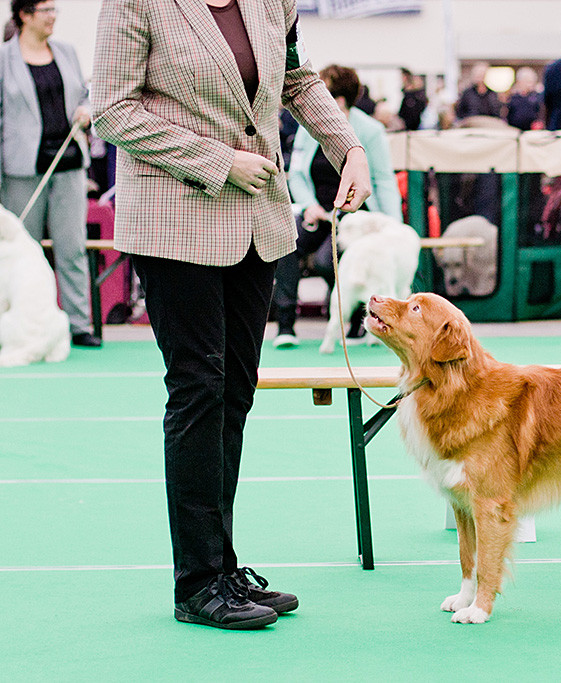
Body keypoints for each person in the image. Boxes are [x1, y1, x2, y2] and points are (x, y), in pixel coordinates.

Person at [92, 0, 371, 630]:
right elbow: (112, 107)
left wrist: (346, 146)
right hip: (174, 218)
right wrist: (218, 162)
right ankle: (196, 583)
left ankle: (222, 567)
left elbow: (294, 80)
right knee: (199, 389)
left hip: (256, 221)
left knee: (235, 393)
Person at [272, 65, 402, 348]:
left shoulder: (370, 130)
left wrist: (394, 227)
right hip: (318, 213)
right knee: (285, 245)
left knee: (324, 261)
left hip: (354, 218)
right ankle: (285, 325)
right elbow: (297, 173)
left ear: (339, 100)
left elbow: (382, 179)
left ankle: (355, 320)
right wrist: (308, 206)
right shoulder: (311, 126)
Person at [0, 0, 99, 348]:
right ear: (25, 14)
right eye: (46, 10)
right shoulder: (3, 59)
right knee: (21, 253)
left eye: (55, 10)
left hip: (69, 163)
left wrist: (87, 108)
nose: (53, 16)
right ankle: (17, 324)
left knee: (71, 248)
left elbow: (89, 91)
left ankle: (78, 324)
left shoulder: (67, 52)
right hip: (22, 170)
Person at [504, 66, 542, 131]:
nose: (530, 84)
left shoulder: (537, 96)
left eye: (531, 81)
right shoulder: (512, 97)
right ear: (520, 82)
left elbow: (541, 113)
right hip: (514, 130)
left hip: (532, 131)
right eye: (527, 81)